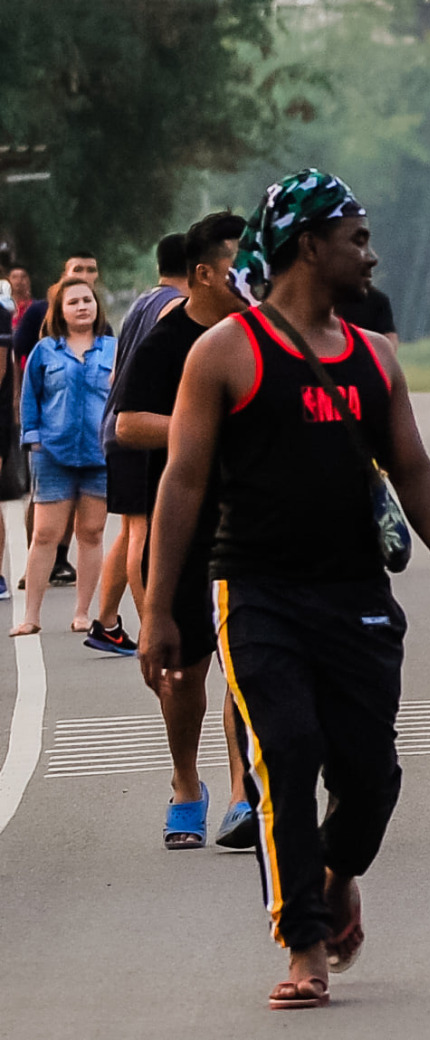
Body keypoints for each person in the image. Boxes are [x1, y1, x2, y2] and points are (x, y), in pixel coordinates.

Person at [142, 169, 430, 1011]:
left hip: (355, 592)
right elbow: (182, 483)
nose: (372, 255)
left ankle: (337, 872)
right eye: (357, 239)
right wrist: (156, 608)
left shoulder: (373, 356)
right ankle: (304, 944)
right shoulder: (225, 353)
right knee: (284, 756)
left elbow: (410, 464)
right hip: (255, 592)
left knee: (371, 775)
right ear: (309, 246)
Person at [117, 215, 254, 848]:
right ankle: (185, 781)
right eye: (236, 270)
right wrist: (197, 427)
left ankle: (242, 795)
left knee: (247, 666)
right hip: (182, 530)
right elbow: (127, 425)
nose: (250, 281)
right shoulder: (167, 340)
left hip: (248, 527)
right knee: (182, 675)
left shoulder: (260, 339)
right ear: (203, 274)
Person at [87, 233, 188, 655]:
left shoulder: (142, 302)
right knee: (143, 534)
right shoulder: (175, 308)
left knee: (130, 529)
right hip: (138, 428)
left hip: (115, 424)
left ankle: (106, 622)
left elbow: (116, 373)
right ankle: (153, 631)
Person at [10, 277, 114, 636]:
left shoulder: (113, 349)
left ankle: (82, 613)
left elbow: (122, 398)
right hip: (52, 453)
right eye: (73, 302)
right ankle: (31, 617)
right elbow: (30, 397)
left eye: (87, 300)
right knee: (44, 534)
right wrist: (33, 440)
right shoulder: (45, 351)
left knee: (92, 533)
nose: (82, 307)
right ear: (60, 311)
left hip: (99, 456)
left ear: (97, 306)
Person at [16, 250, 100, 588]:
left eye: (91, 269)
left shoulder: (106, 338)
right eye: (78, 268)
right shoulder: (40, 318)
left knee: (88, 524)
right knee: (44, 513)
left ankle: (62, 560)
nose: (85, 273)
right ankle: (36, 564)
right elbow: (21, 361)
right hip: (49, 439)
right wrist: (31, 432)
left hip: (93, 446)